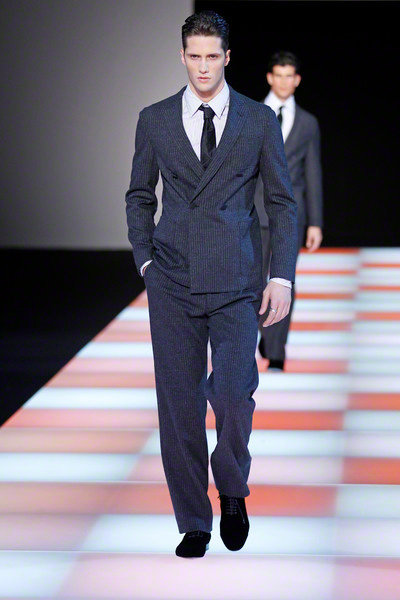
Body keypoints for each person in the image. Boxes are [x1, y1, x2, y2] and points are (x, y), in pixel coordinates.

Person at [125, 12, 297, 558]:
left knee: (232, 395)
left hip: (236, 279)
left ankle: (232, 489)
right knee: (178, 406)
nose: (203, 67)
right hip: (172, 279)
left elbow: (281, 202)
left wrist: (281, 275)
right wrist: (146, 262)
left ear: (227, 57)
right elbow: (139, 195)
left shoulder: (257, 120)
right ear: (182, 57)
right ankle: (194, 521)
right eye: (194, 56)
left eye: (212, 56)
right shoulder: (155, 120)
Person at [254, 51, 324, 371]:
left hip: (291, 217)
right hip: (254, 212)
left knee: (283, 281)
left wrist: (315, 222)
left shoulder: (308, 122)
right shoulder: (251, 115)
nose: (283, 82)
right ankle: (258, 334)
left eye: (289, 76)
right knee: (253, 282)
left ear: (297, 80)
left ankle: (275, 349)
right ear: (270, 77)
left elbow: (313, 173)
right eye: (278, 75)